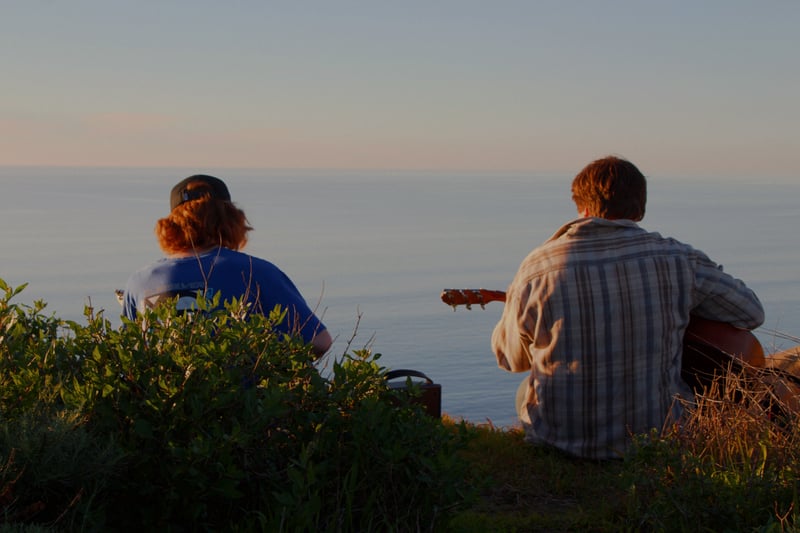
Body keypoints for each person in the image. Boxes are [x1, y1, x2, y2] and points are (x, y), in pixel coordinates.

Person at [491, 156, 764, 459]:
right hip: (656, 439)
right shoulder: (679, 260)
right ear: (640, 209)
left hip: (561, 445)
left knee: (524, 391)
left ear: (581, 207)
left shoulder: (536, 267)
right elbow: (751, 313)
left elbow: (510, 359)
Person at [122, 174, 332, 357]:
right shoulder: (254, 272)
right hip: (243, 401)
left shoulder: (139, 282)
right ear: (231, 219)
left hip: (166, 401)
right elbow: (318, 341)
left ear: (169, 225)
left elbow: (132, 355)